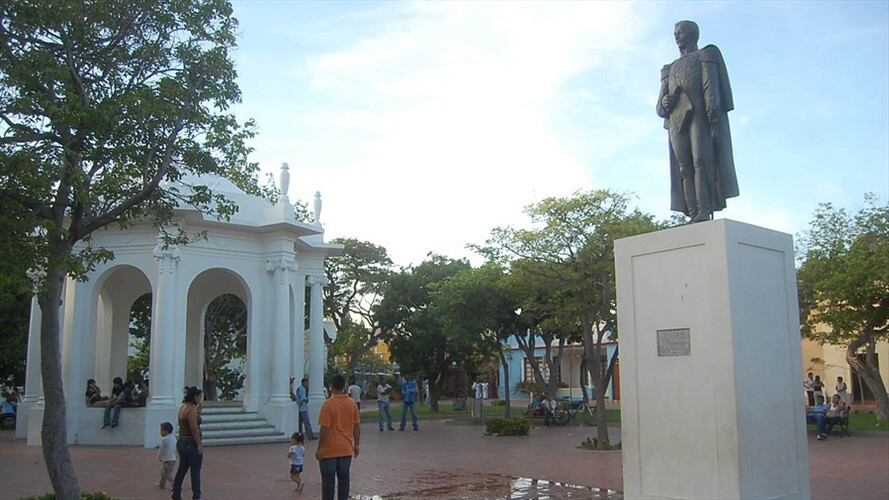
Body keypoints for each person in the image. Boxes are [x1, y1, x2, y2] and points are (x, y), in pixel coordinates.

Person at [656, 20, 738, 223]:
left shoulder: (705, 55)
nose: (676, 36)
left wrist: (714, 117)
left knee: (702, 161)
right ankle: (693, 213)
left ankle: (704, 210)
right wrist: (666, 102)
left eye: (680, 32)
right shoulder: (669, 69)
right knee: (684, 168)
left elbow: (711, 90)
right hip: (677, 121)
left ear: (693, 34)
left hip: (700, 116)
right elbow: (659, 108)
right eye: (675, 32)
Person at [315, 373, 360, 500]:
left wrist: (320, 449)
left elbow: (324, 429)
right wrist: (356, 444)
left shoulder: (328, 404)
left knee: (328, 484)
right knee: (344, 481)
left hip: (329, 450)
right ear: (344, 386)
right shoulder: (352, 404)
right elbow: (356, 426)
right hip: (346, 449)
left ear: (331, 387)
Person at [172, 386, 203, 500]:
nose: (200, 399)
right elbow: (194, 427)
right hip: (190, 442)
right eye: (199, 396)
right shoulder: (191, 410)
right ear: (194, 397)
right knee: (195, 471)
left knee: (182, 468)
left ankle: (176, 492)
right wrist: (199, 445)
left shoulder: (183, 408)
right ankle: (196, 495)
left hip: (182, 440)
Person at [158, 422, 177, 490]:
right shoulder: (173, 438)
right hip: (172, 459)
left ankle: (174, 483)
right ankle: (161, 484)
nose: (160, 432)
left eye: (161, 430)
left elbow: (161, 449)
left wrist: (159, 457)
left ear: (166, 431)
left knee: (166, 473)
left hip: (167, 460)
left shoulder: (164, 440)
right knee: (164, 472)